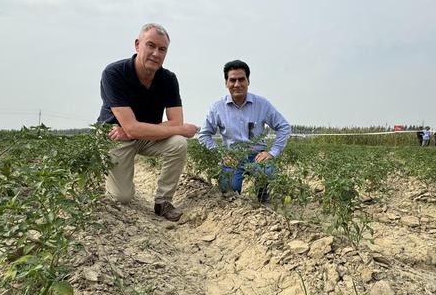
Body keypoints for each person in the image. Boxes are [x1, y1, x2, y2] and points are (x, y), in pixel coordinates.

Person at [97, 23, 198, 221]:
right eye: (150, 45)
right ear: (137, 45)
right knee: (121, 197)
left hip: (142, 135)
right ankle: (116, 178)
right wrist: (132, 129)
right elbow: (175, 125)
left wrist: (134, 129)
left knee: (178, 143)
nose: (155, 53)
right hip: (115, 136)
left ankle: (163, 202)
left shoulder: (168, 79)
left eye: (162, 49)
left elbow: (175, 121)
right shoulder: (114, 73)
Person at [198, 60, 291, 203]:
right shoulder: (217, 108)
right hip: (232, 158)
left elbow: (284, 126)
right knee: (230, 191)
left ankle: (263, 194)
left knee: (267, 173)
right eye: (232, 80)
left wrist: (272, 152)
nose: (237, 84)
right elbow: (204, 135)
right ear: (226, 83)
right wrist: (221, 154)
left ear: (248, 81)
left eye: (241, 79)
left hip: (257, 156)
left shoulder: (262, 104)